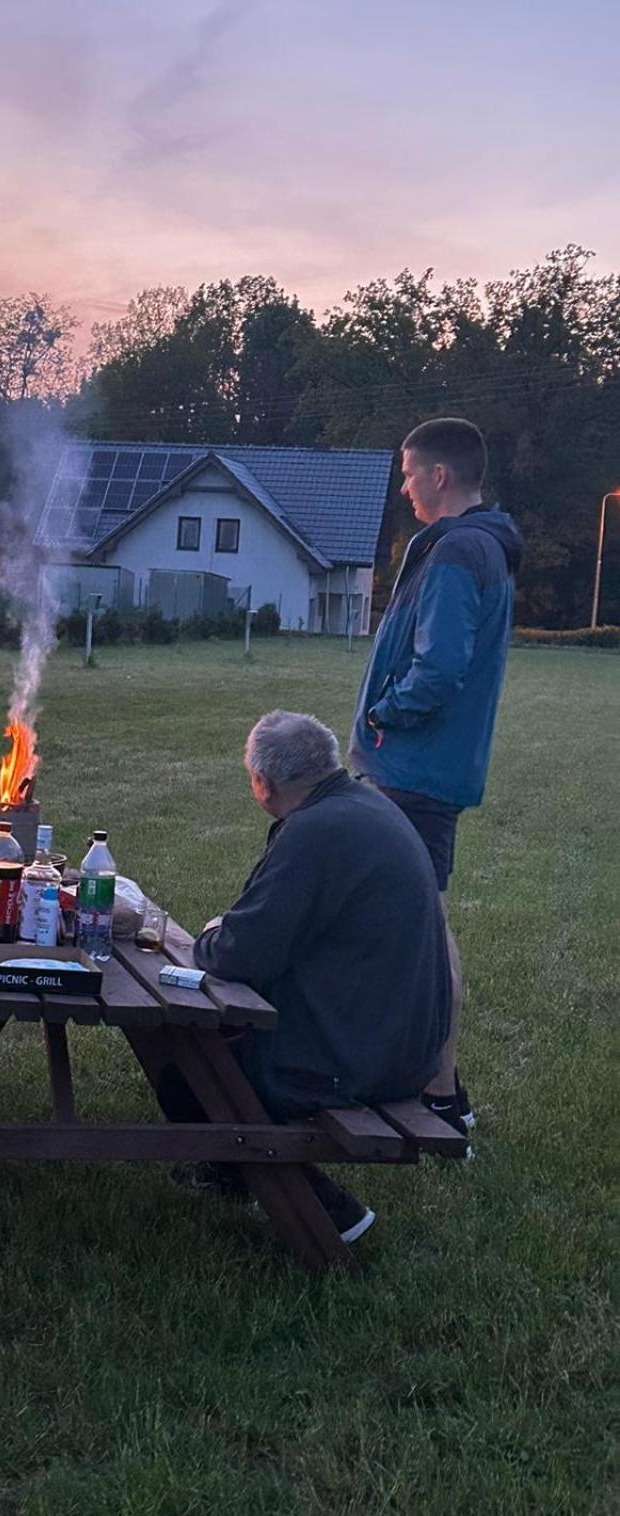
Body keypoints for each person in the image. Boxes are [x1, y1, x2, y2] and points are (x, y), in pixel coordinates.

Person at [162, 710, 452, 1245]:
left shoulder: (315, 832)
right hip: (401, 1045)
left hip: (353, 1060)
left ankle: (321, 1206)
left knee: (181, 1052)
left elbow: (240, 954)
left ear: (263, 785)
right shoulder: (363, 807)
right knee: (212, 1046)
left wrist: (211, 935)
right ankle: (232, 1171)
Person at [349, 417, 522, 1132]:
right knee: (400, 926)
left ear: (440, 476)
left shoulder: (458, 551)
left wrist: (386, 714)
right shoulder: (477, 546)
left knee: (426, 931)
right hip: (417, 769)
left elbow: (439, 668)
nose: (404, 485)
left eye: (409, 472)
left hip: (416, 772)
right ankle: (406, 1075)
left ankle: (444, 1097)